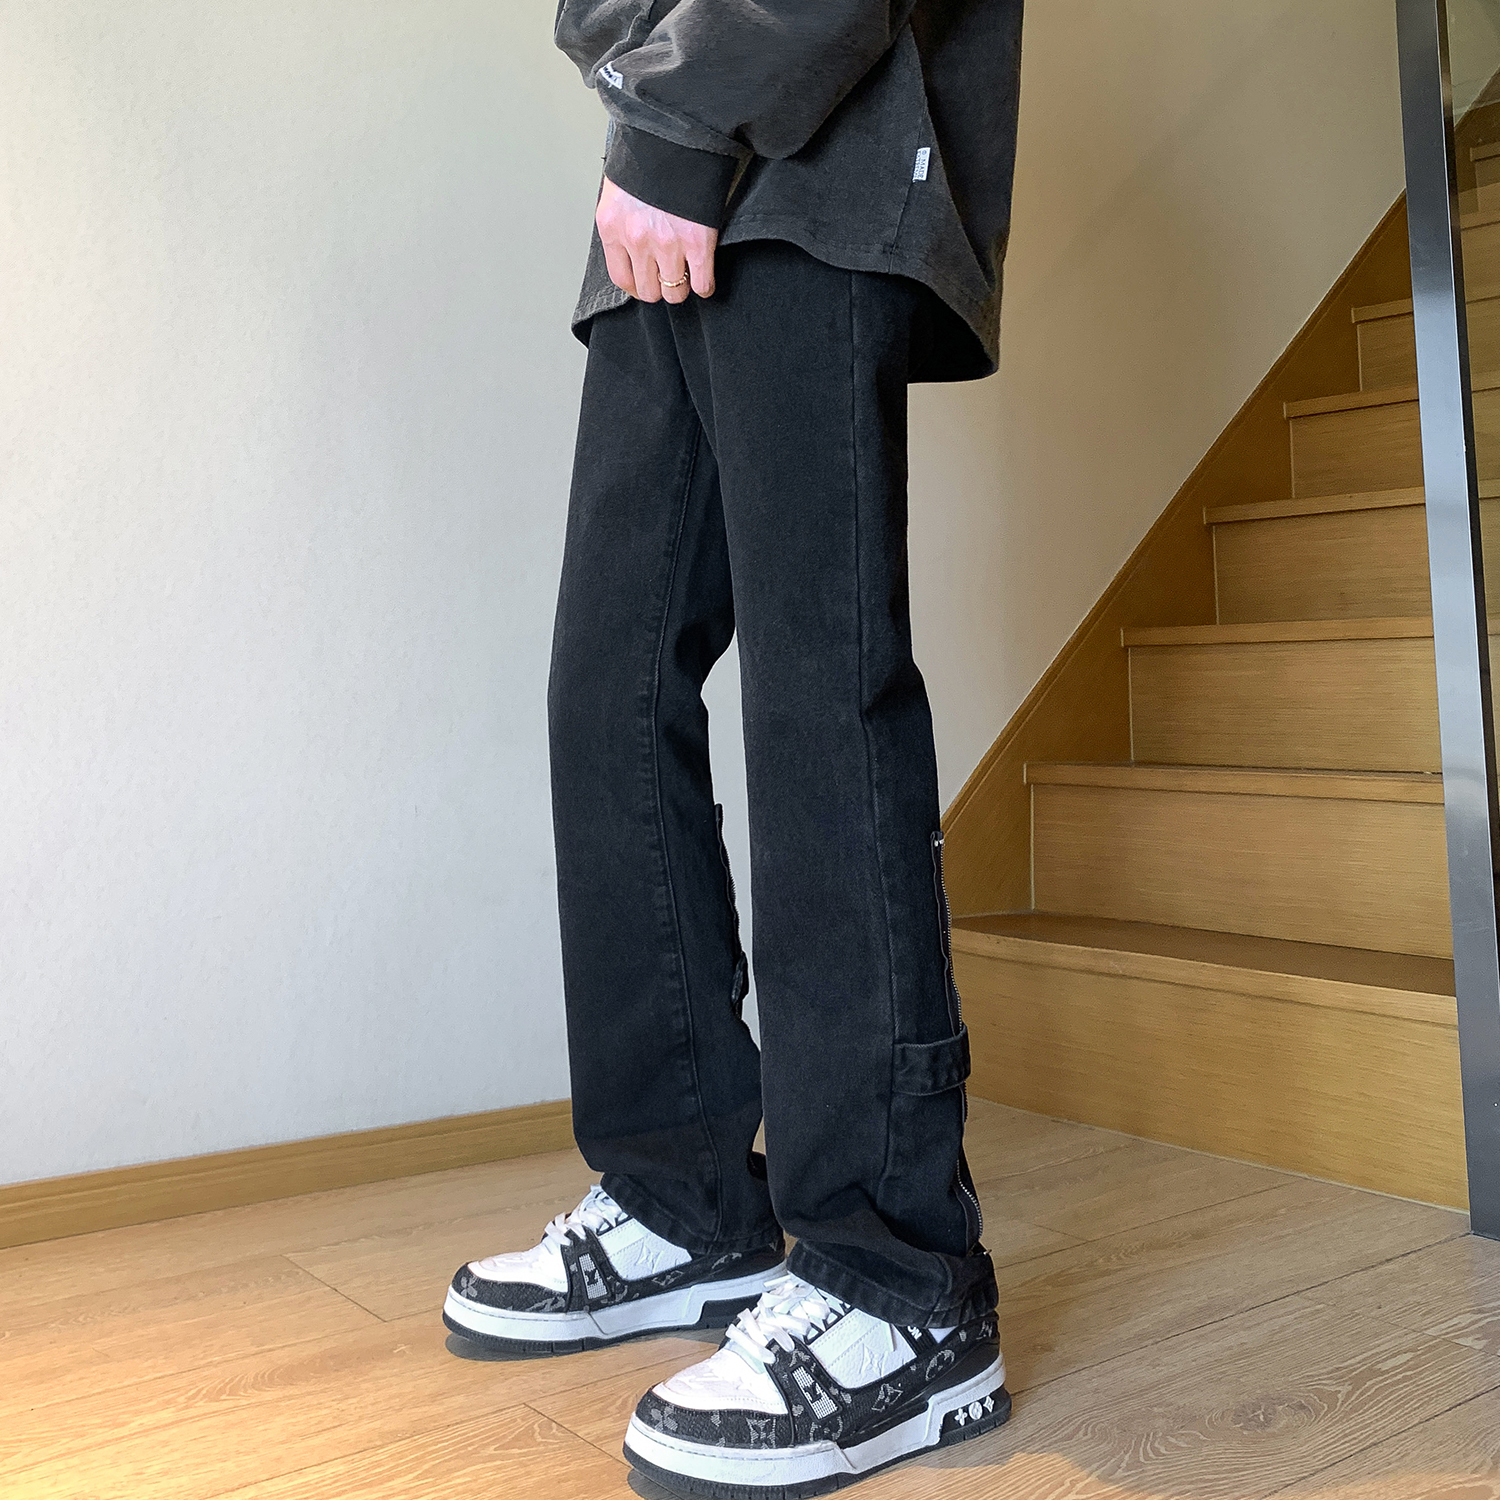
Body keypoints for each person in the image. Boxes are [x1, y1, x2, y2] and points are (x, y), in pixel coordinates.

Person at [444, 2, 1025, 1492]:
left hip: (808, 160)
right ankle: (684, 1191)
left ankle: (901, 1279)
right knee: (607, 692)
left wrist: (676, 121)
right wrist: (658, 111)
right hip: (674, 181)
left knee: (819, 697)